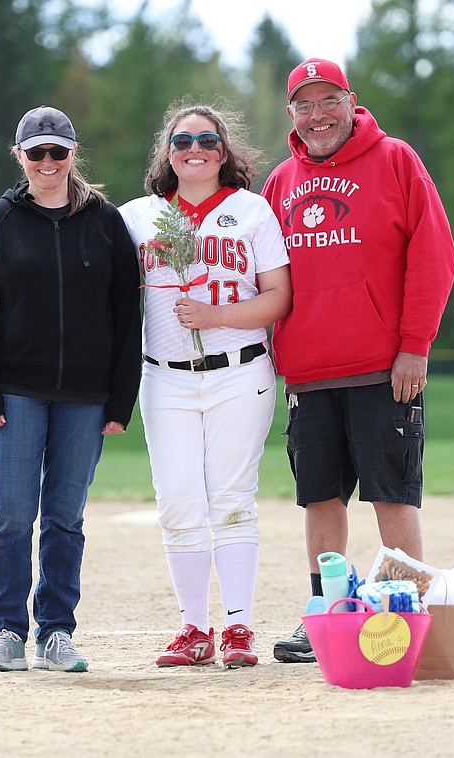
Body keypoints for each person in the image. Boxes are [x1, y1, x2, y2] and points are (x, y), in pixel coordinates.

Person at [259, 59, 454, 663]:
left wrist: (414, 347)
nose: (317, 115)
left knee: (392, 495)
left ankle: (406, 615)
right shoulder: (280, 183)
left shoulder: (396, 160)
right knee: (320, 500)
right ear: (291, 113)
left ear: (351, 101)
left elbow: (435, 254)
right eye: (305, 104)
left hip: (382, 368)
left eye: (328, 101)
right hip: (311, 374)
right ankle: (328, 614)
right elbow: (263, 277)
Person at [0, 106, 142, 673]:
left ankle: (56, 631)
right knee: (12, 515)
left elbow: (124, 314)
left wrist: (120, 399)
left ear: (72, 155)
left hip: (86, 399)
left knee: (65, 516)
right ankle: (6, 632)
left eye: (57, 152)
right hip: (15, 393)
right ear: (19, 156)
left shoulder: (106, 223)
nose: (47, 163)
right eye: (35, 153)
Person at [118, 103, 291, 669]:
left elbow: (278, 298)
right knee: (179, 503)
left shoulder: (252, 211)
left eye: (207, 140)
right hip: (164, 378)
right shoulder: (139, 217)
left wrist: (217, 316)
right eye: (182, 140)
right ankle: (194, 627)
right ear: (167, 152)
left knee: (233, 500)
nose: (194, 149)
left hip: (239, 372)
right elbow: (75, 250)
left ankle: (238, 626)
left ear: (225, 151)